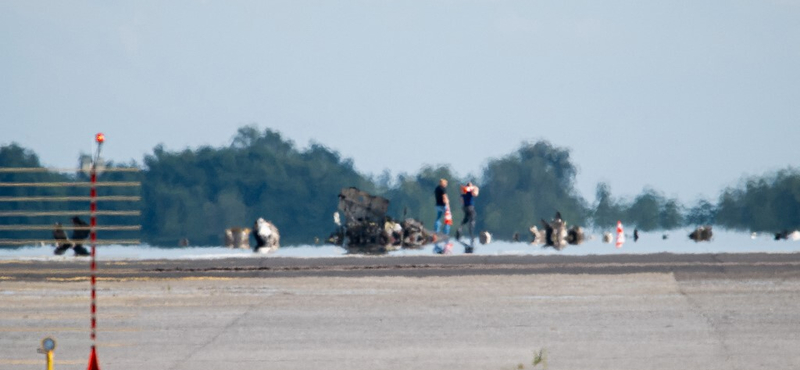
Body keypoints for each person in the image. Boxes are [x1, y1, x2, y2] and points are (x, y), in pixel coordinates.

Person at [455, 181, 479, 247]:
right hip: (470, 207)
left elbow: (461, 200)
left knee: (466, 218)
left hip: (464, 207)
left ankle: (460, 228)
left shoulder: (463, 192)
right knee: (472, 219)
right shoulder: (470, 191)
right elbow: (475, 194)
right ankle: (472, 236)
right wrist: (473, 188)